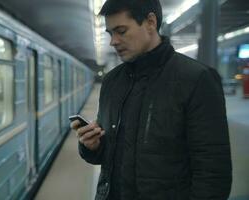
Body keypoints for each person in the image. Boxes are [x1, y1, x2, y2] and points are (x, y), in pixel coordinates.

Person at [70, 0, 232, 199]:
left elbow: (213, 172)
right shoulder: (112, 82)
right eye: (110, 33)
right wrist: (93, 147)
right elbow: (107, 156)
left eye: (121, 31)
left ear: (150, 22)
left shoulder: (196, 79)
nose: (113, 41)